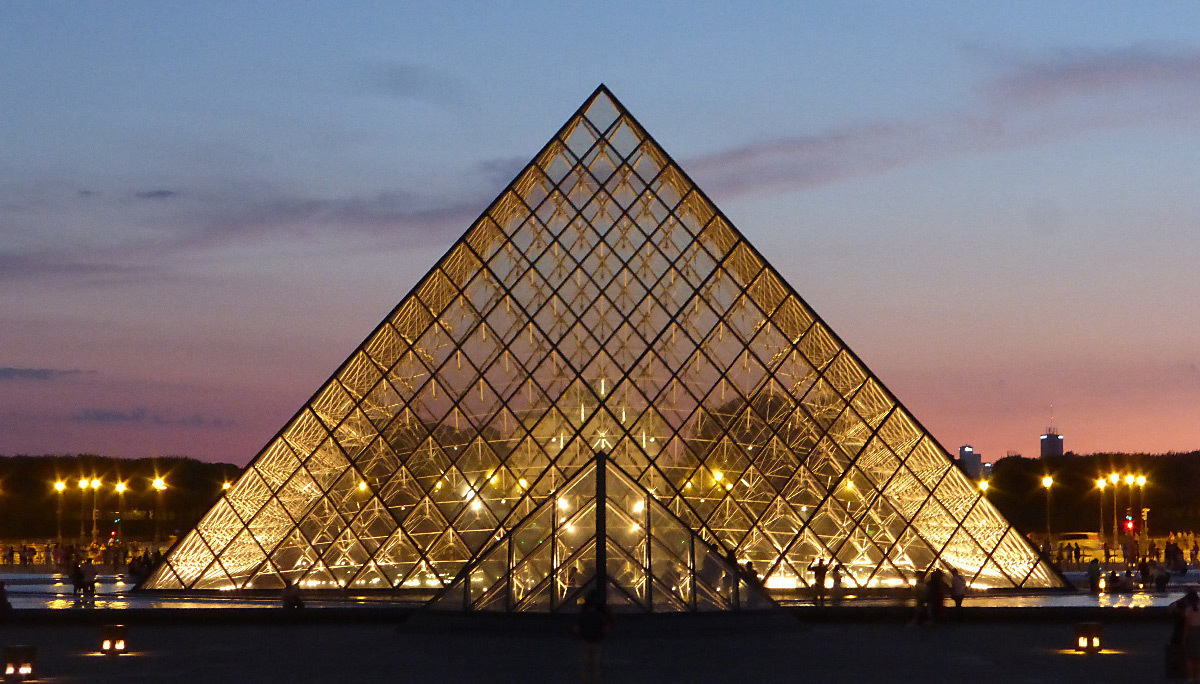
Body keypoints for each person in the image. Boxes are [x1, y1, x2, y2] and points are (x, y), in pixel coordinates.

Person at [575, 590, 613, 684]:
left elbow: (576, 628)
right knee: (596, 664)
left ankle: (585, 681)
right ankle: (596, 680)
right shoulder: (599, 616)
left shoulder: (582, 616)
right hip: (596, 641)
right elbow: (605, 629)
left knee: (585, 664)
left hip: (586, 641)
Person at [1170, 588, 1200, 681]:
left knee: (1189, 657)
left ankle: (1191, 678)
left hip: (1192, 632)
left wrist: (1183, 638)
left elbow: (1187, 625)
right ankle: (1197, 676)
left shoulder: (1188, 609)